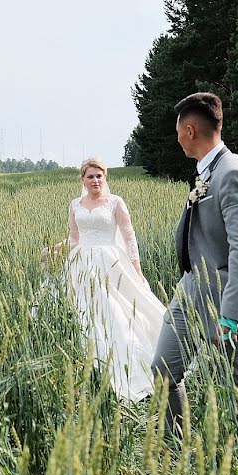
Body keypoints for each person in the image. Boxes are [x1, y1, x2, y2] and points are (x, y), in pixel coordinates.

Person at [151, 92, 238, 434]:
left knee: (235, 389)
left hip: (226, 300)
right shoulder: (207, 171)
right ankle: (178, 445)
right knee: (163, 368)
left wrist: (230, 318)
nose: (176, 138)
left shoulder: (233, 173)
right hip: (191, 289)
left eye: (178, 131)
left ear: (189, 130)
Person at [66, 158, 165, 402]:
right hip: (81, 264)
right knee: (84, 312)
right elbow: (74, 237)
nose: (95, 180)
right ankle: (86, 364)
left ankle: (128, 365)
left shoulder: (115, 202)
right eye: (90, 176)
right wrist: (62, 255)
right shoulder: (75, 204)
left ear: (105, 177)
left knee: (116, 313)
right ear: (83, 180)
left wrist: (137, 269)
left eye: (99, 176)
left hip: (110, 261)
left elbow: (129, 237)